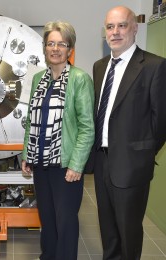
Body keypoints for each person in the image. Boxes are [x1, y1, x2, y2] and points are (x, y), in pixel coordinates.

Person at [88, 6, 166, 259]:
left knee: (129, 231)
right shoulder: (99, 67)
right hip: (102, 162)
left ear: (134, 28)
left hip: (132, 166)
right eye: (110, 27)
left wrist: (140, 153)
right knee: (108, 229)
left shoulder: (154, 66)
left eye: (122, 25)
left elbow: (161, 121)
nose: (116, 32)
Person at [21, 21, 95, 260]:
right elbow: (31, 120)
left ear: (70, 49)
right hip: (40, 162)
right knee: (48, 217)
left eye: (61, 44)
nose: (55, 48)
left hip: (65, 164)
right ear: (45, 48)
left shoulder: (79, 79)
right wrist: (26, 153)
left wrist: (76, 164)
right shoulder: (38, 80)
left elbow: (86, 127)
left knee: (66, 221)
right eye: (50, 43)